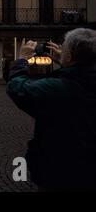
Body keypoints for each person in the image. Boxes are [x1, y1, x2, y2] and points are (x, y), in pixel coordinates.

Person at [7, 29, 96, 191]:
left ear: (69, 56)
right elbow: (83, 73)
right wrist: (66, 61)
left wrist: (21, 60)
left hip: (61, 170)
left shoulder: (59, 88)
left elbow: (18, 88)